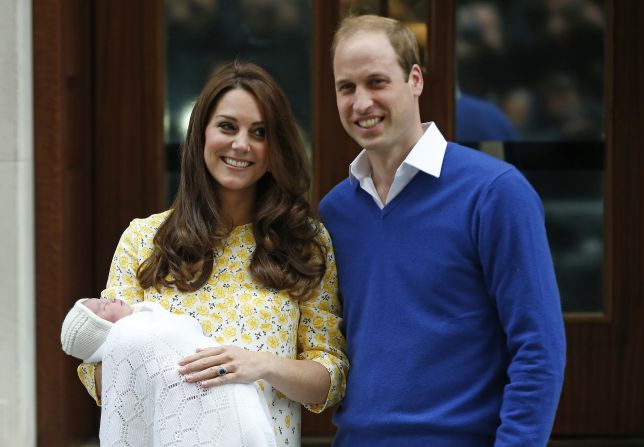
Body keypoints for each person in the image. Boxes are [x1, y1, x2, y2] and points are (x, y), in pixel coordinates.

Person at [319, 15, 566, 447]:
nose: (361, 103)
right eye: (346, 87)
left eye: (377, 82)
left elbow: (538, 350)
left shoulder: (495, 193)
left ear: (415, 79)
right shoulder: (336, 211)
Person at [76, 61, 348, 447]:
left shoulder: (304, 243)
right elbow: (98, 374)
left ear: (276, 149)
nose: (241, 144)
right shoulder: (144, 239)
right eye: (227, 126)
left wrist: (260, 365)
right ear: (201, 132)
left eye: (259, 132)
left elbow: (330, 379)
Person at [61, 297, 277, 446]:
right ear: (102, 330)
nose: (108, 299)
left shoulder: (149, 318)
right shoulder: (128, 334)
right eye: (101, 309)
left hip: (235, 390)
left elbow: (184, 332)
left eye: (102, 300)